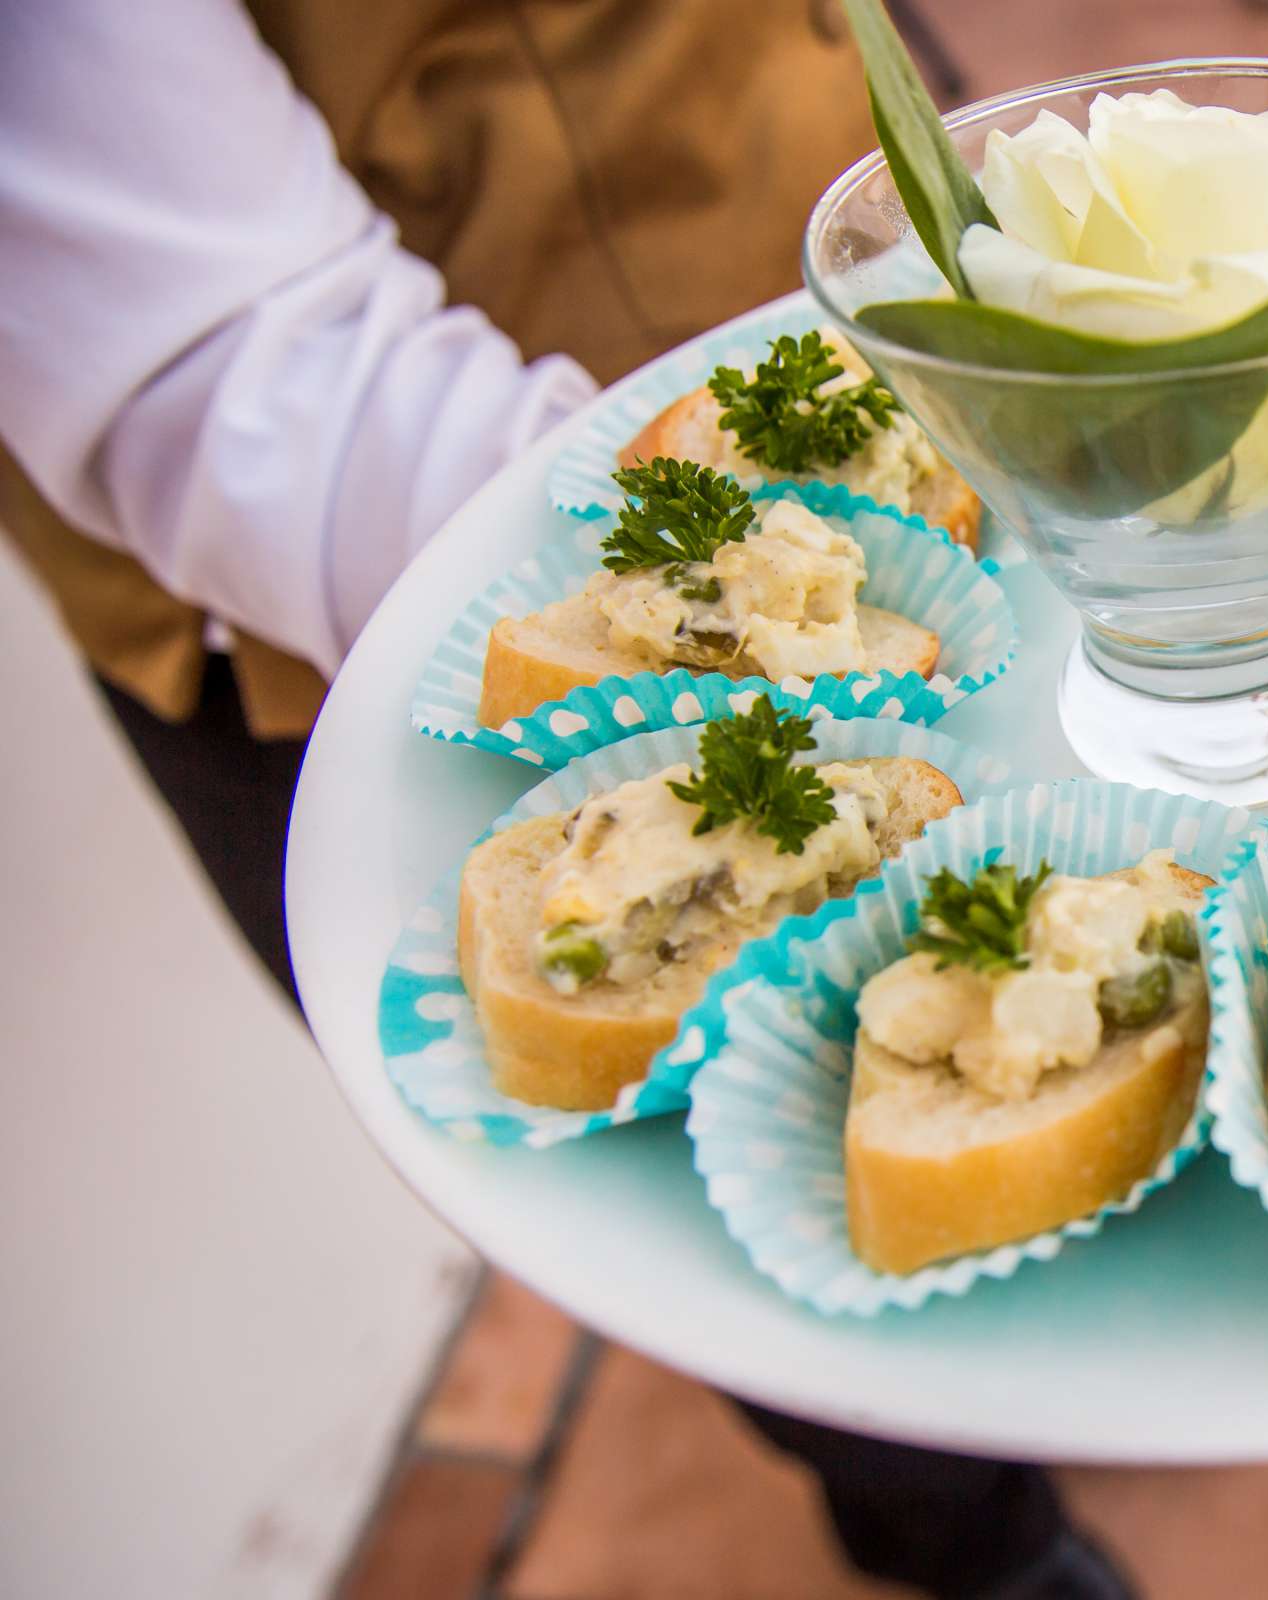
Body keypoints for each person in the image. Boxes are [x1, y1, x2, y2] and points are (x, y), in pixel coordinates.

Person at [0, 4, 1129, 1596]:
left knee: (1053, 1017)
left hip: (834, 300)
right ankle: (976, 1546)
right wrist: (746, 592)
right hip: (375, 565)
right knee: (764, 1209)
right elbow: (216, 344)